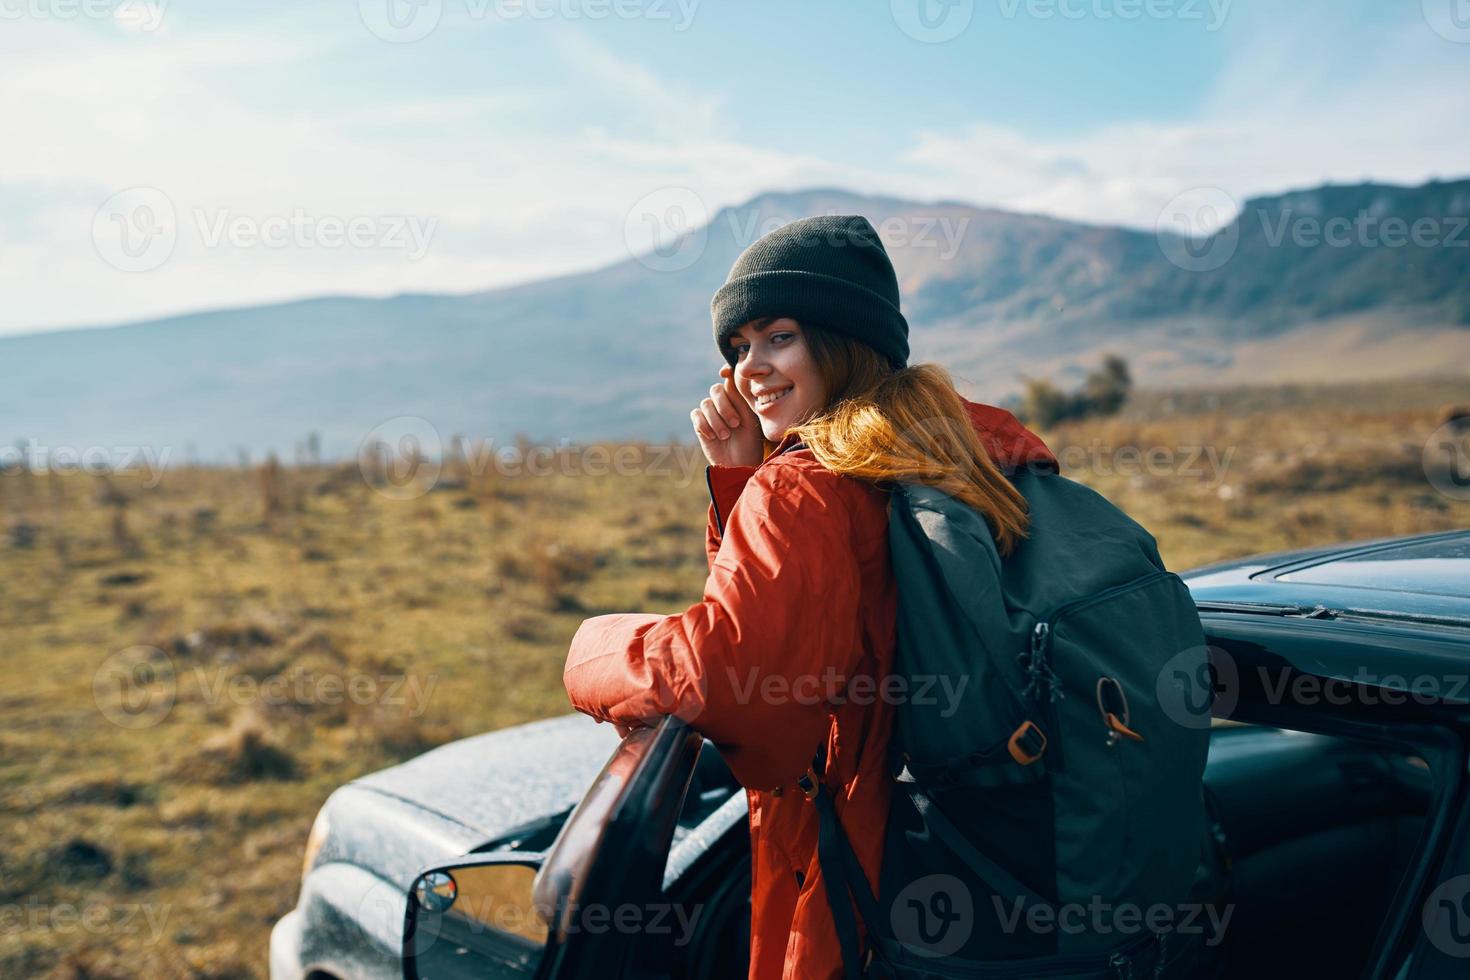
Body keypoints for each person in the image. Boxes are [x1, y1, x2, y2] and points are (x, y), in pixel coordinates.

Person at [563, 214, 1058, 979]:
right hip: (1006, 851)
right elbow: (831, 611)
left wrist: (588, 651)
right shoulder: (973, 454)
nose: (748, 369)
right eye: (738, 347)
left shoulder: (804, 487)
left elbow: (733, 685)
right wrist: (740, 478)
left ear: (844, 339)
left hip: (862, 875)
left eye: (779, 336)